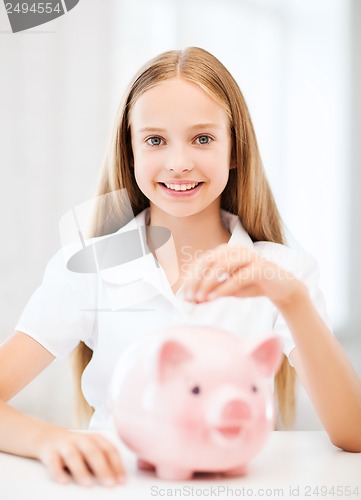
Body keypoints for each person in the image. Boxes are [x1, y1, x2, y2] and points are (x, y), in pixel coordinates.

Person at [1, 47, 361, 488]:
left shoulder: (284, 272)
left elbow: (354, 433)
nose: (178, 162)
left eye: (203, 138)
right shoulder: (88, 269)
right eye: (155, 140)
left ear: (234, 149)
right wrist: (46, 440)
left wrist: (292, 299)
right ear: (130, 153)